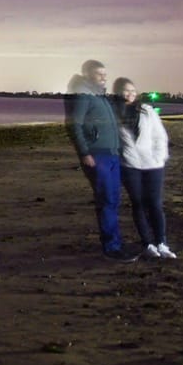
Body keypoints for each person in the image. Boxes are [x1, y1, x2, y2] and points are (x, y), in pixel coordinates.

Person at [65, 59, 137, 261]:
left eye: (105, 74)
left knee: (113, 199)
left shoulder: (100, 95)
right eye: (99, 74)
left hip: (112, 153)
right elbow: (74, 125)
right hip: (98, 155)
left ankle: (115, 241)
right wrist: (85, 153)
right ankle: (111, 248)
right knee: (107, 200)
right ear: (87, 75)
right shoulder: (83, 95)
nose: (104, 77)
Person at [112, 77, 174, 259]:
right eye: (125, 90)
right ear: (117, 92)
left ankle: (162, 243)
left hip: (153, 164)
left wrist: (159, 156)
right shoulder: (113, 114)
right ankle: (147, 243)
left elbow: (160, 136)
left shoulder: (146, 111)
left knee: (154, 203)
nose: (130, 93)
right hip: (129, 165)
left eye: (132, 90)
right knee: (138, 203)